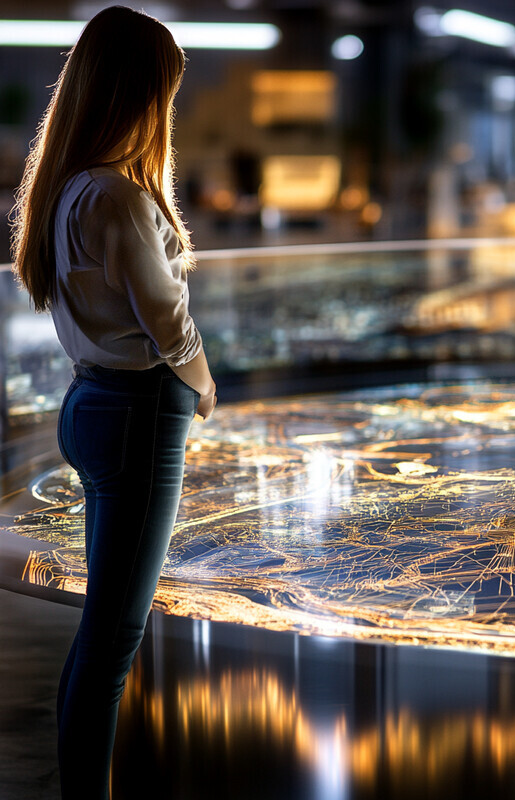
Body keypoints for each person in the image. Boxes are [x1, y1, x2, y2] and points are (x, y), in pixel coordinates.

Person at [10, 7, 215, 798]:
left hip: (92, 405)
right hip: (138, 415)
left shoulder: (69, 190)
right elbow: (168, 321)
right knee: (114, 639)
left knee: (99, 633)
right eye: (163, 91)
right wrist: (204, 386)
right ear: (139, 94)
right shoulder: (120, 199)